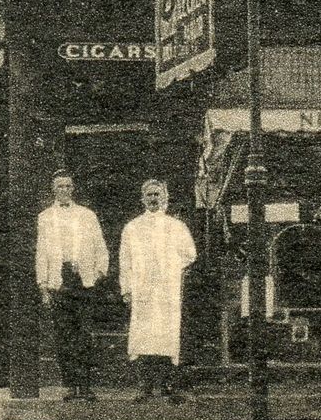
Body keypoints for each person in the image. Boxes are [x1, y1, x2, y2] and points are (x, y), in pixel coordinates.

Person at [118, 178, 198, 402]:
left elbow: (190, 254)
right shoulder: (132, 228)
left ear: (164, 198)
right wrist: (127, 289)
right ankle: (144, 386)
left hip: (166, 290)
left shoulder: (176, 226)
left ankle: (165, 384)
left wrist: (170, 268)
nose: (153, 199)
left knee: (165, 335)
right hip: (142, 289)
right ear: (142, 199)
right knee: (143, 336)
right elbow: (125, 261)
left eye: (157, 194)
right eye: (149, 195)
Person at [32, 171, 108, 400]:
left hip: (82, 279)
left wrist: (98, 273)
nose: (64, 190)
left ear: (73, 189)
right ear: (53, 190)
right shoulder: (45, 217)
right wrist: (43, 285)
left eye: (68, 186)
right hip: (59, 279)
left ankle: (84, 386)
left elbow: (100, 247)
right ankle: (69, 385)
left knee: (84, 334)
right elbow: (41, 252)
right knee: (64, 334)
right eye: (60, 186)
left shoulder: (87, 215)